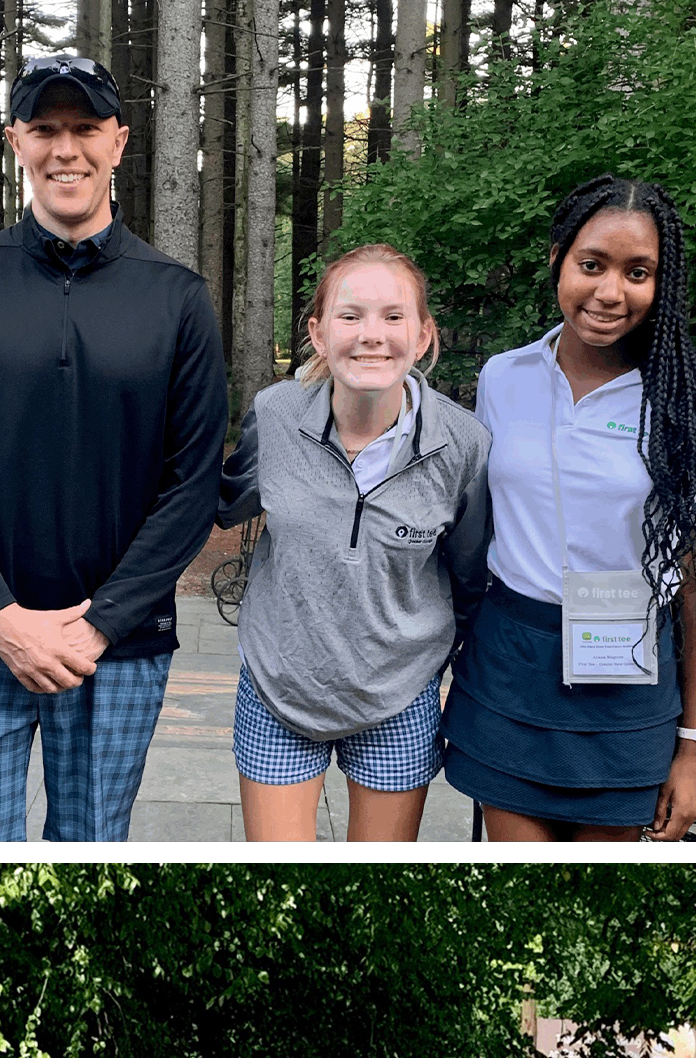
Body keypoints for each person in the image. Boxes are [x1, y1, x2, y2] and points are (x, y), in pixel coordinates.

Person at [0, 56, 225, 841]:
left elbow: (192, 482)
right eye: (44, 128)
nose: (64, 148)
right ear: (16, 140)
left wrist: (100, 623)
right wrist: (1, 616)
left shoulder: (176, 297)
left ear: (119, 142)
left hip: (117, 645)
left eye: (84, 129)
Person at [444, 174, 696, 841]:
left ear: (659, 284)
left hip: (629, 670)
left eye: (637, 272)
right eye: (592, 264)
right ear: (557, 255)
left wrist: (692, 746)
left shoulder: (676, 401)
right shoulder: (503, 376)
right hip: (510, 663)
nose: (610, 292)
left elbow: (693, 576)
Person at [217, 245, 493, 840]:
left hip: (398, 694)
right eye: (351, 316)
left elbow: (470, 576)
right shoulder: (276, 413)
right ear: (317, 333)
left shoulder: (463, 443)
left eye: (394, 317)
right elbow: (221, 501)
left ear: (423, 336)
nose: (372, 335)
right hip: (279, 689)